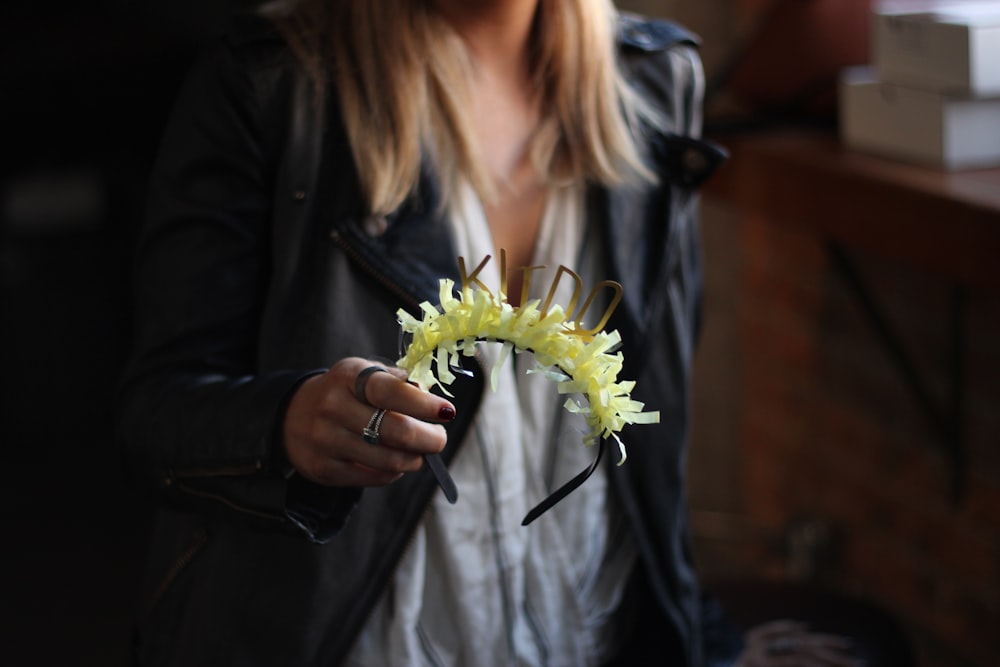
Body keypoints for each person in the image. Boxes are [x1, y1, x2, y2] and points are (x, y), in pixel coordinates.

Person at [117, 1, 859, 665]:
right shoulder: (272, 85)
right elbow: (157, 412)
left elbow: (652, 441)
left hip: (590, 631)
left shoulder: (657, 83)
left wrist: (702, 638)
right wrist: (286, 424)